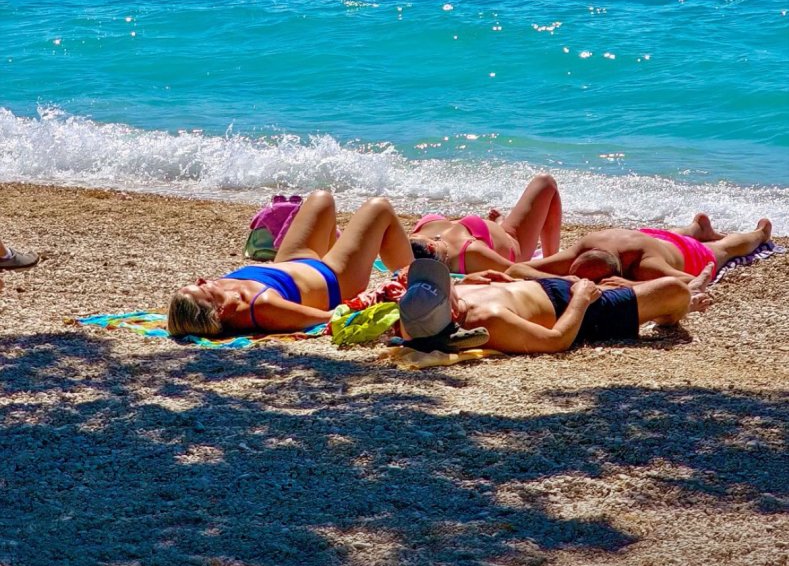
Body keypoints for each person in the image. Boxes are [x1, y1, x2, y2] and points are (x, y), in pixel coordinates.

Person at [168, 190, 413, 338]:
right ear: (219, 312)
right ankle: (419, 282)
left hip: (292, 261)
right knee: (379, 208)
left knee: (321, 198)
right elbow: (328, 317)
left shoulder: (224, 293)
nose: (202, 280)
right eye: (202, 289)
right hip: (335, 278)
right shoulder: (262, 307)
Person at [397, 256, 711, 356]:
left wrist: (471, 280)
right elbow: (556, 340)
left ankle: (668, 295)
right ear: (452, 313)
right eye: (446, 287)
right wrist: (582, 298)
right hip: (577, 310)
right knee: (674, 291)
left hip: (544, 288)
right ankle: (679, 308)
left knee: (517, 268)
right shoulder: (489, 320)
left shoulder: (417, 312)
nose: (449, 284)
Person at [522, 213, 773, 285]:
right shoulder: (583, 249)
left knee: (725, 248)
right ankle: (698, 226)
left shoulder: (646, 267)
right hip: (648, 238)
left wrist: (632, 285)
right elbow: (517, 269)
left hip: (685, 251)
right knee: (668, 237)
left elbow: (693, 280)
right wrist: (563, 277)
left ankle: (761, 233)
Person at [408, 174, 562, 274]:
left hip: (493, 238)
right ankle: (551, 259)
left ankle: (498, 226)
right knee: (546, 182)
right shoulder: (471, 253)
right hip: (514, 243)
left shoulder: (416, 243)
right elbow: (517, 271)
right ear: (431, 246)